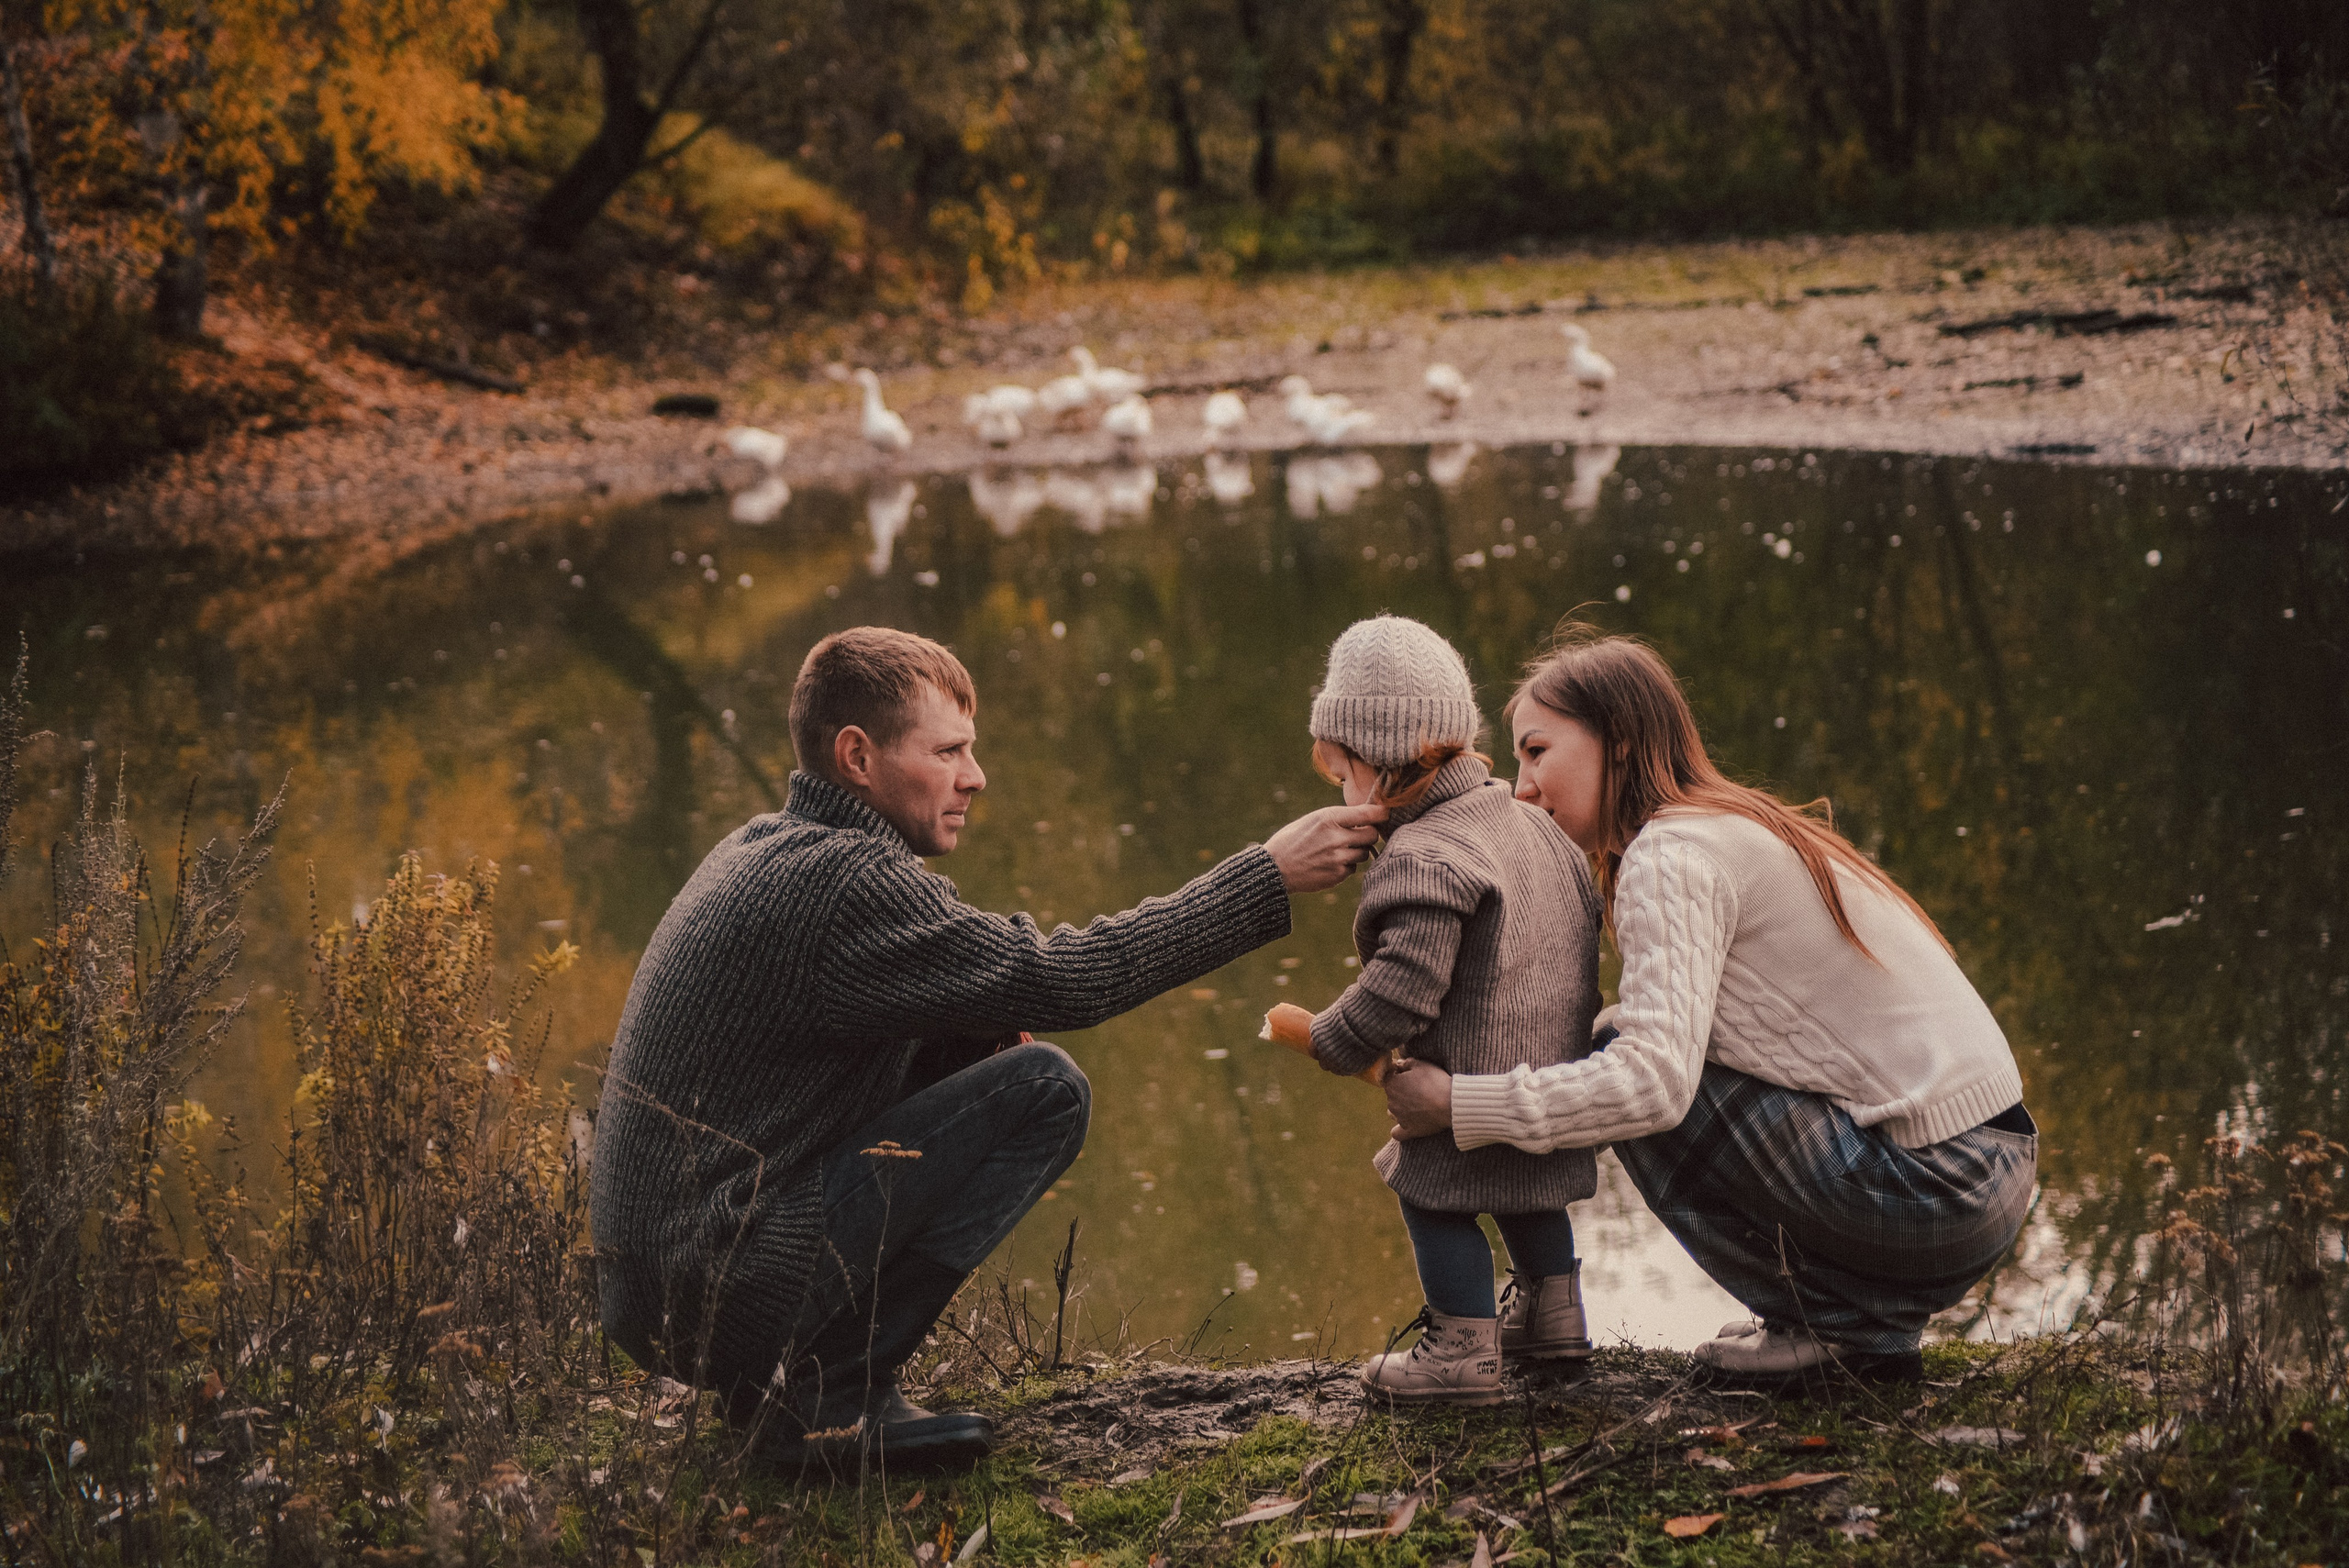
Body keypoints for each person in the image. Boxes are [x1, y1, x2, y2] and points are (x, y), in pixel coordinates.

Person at [590, 627, 1385, 1467]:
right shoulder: (847, 882)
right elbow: (1072, 977)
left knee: (982, 1046)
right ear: (857, 756)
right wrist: (1263, 873)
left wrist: (966, 1033)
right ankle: (826, 1400)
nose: (976, 775)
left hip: (669, 1288)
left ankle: (789, 1389)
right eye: (949, 750)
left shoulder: (773, 846)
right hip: (715, 1288)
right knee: (1044, 1088)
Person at [1384, 622, 2036, 1391]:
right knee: (1632, 1056)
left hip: (1940, 1189)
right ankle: (1845, 1321)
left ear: (1617, 742)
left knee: (1619, 1061)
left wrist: (1460, 1102)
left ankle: (1835, 1325)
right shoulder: (1724, 825)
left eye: (1537, 751)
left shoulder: (1672, 854)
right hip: (1986, 1170)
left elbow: (1652, 1083)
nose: (1522, 786)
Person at [1295, 617, 1604, 1407]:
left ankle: (1461, 1347)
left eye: (1340, 771)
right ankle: (1555, 1311)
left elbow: (1406, 986)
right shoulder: (1540, 828)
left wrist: (1333, 1037)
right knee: (1525, 1183)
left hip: (1461, 1087)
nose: (1340, 789)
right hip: (1549, 1075)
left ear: (1373, 759)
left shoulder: (1426, 854)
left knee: (1430, 1189)